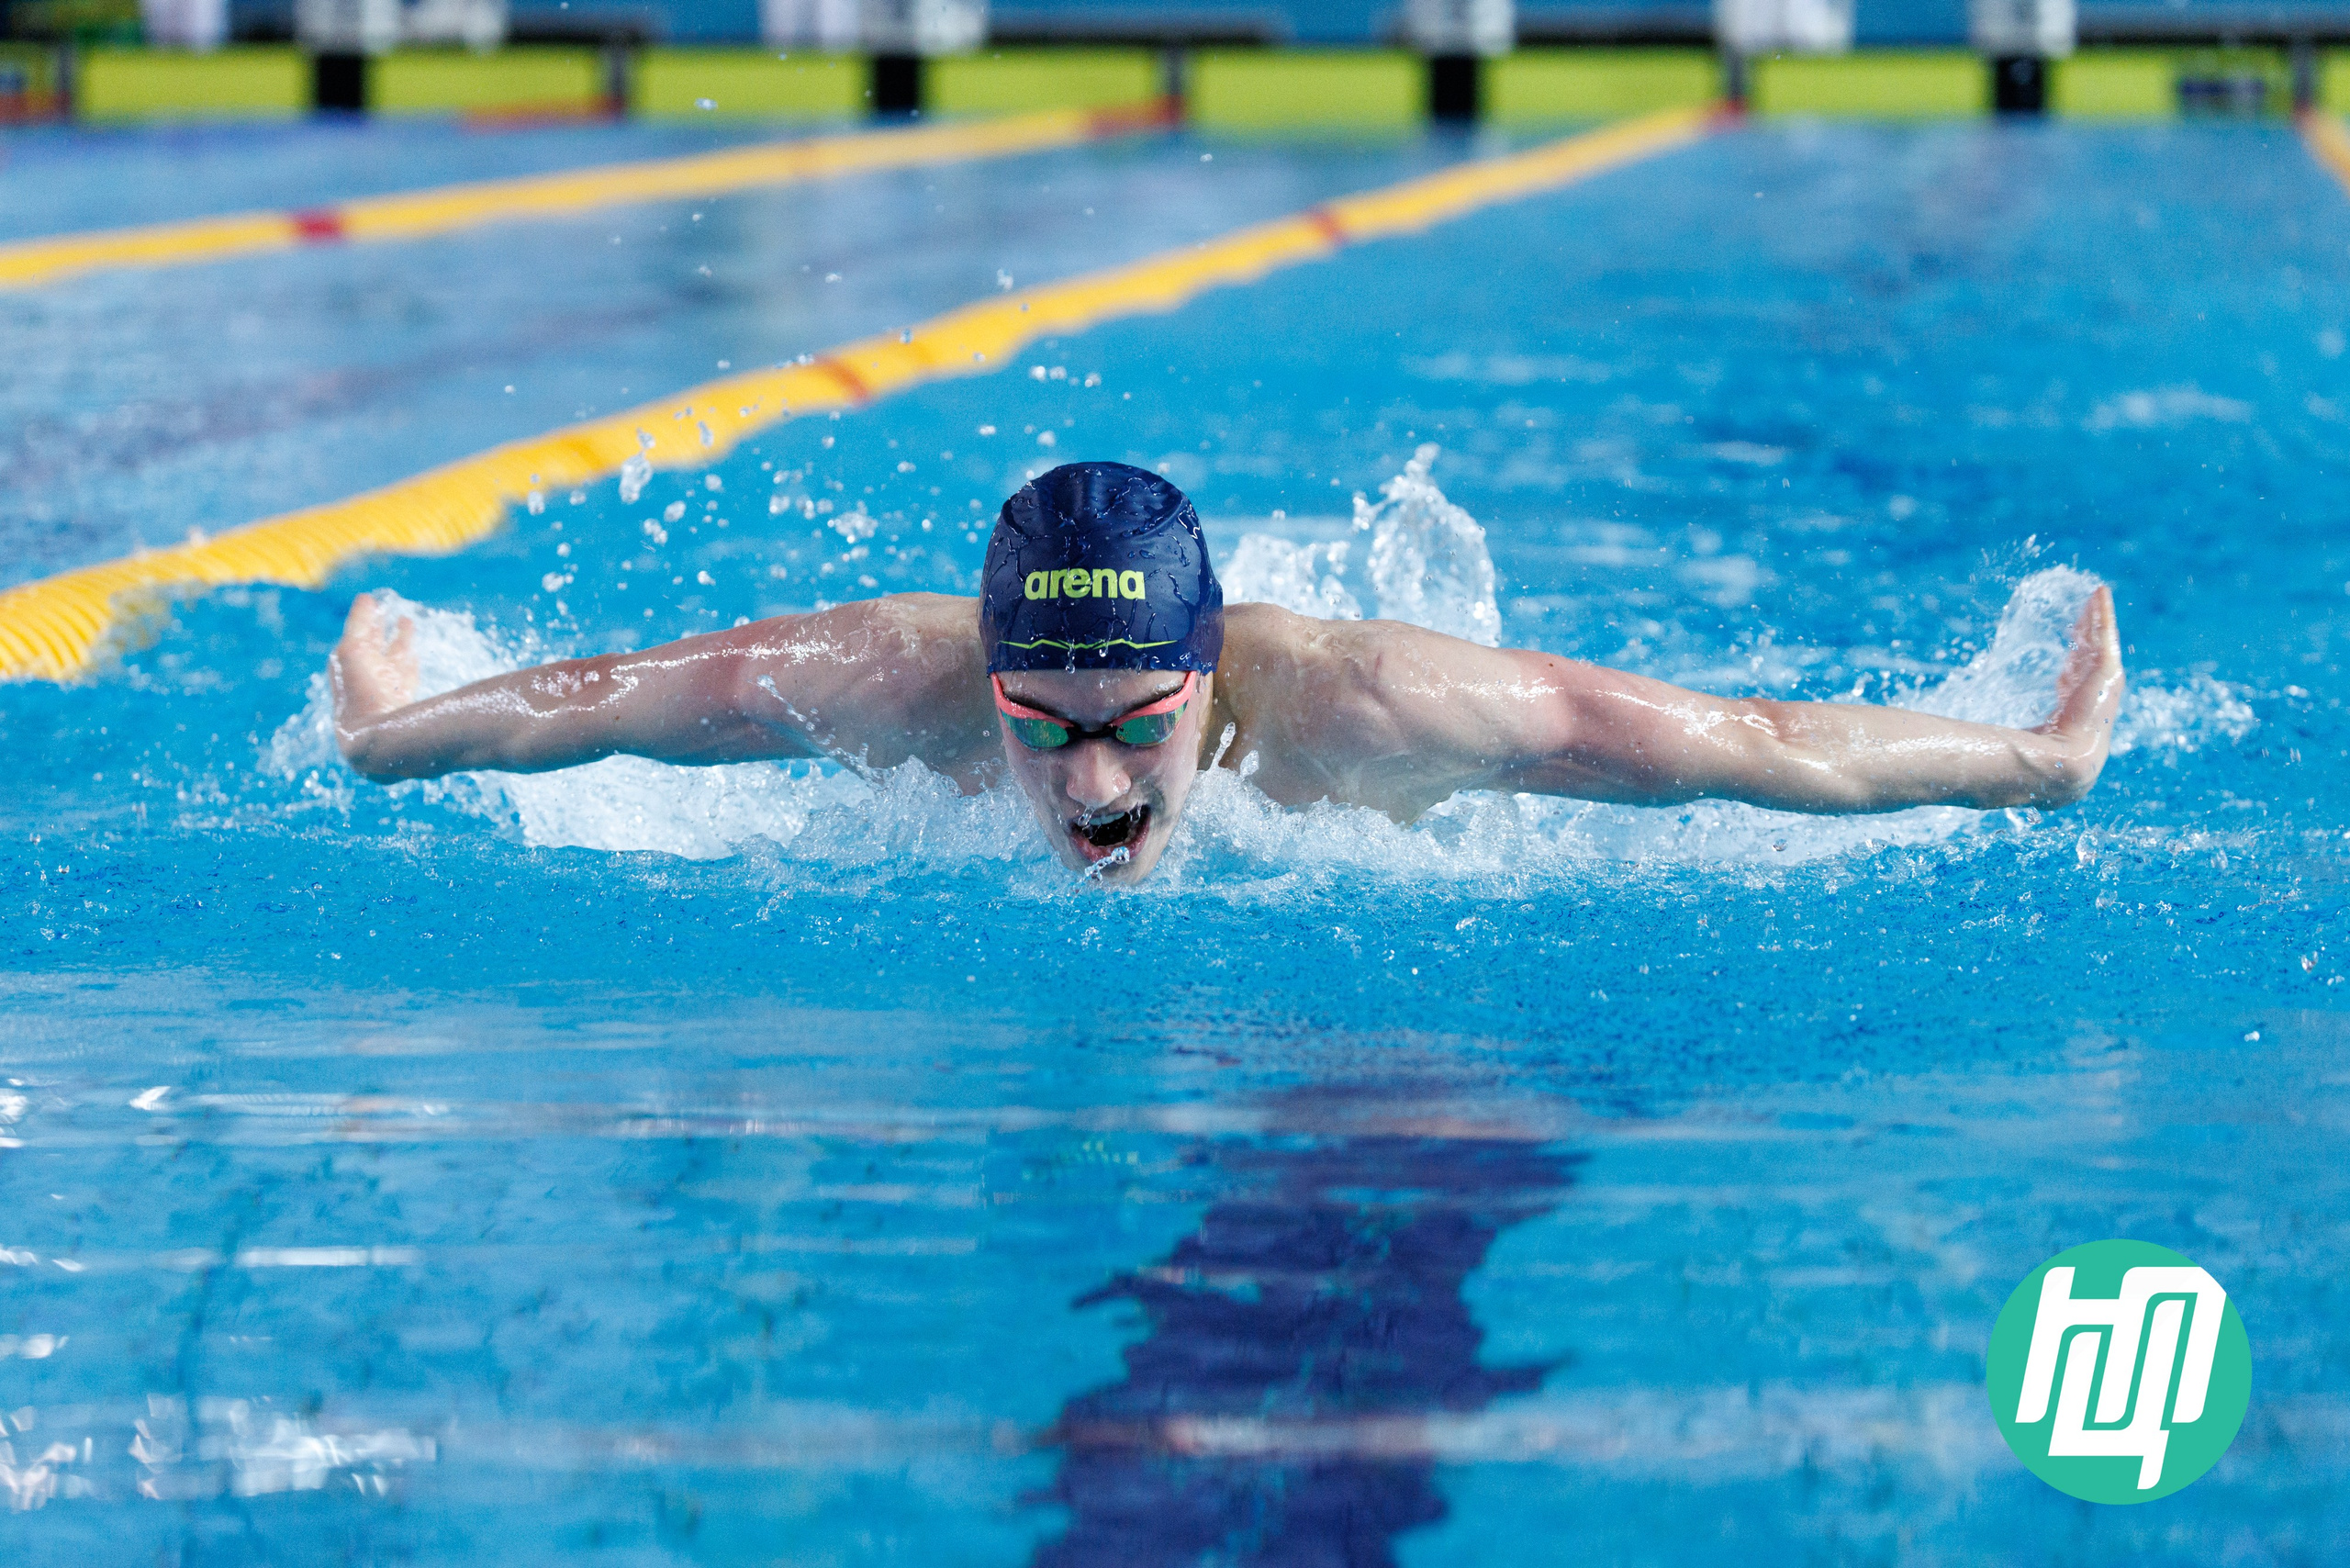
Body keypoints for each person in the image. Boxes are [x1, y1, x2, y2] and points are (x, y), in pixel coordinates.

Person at [331, 460, 2124, 884]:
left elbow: (1741, 745)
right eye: (1045, 727)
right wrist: (389, 729)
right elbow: (598, 697)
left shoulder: (1373, 709)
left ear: (1203, 672)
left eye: (1136, 728)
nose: (1094, 790)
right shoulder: (886, 677)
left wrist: (2027, 762)